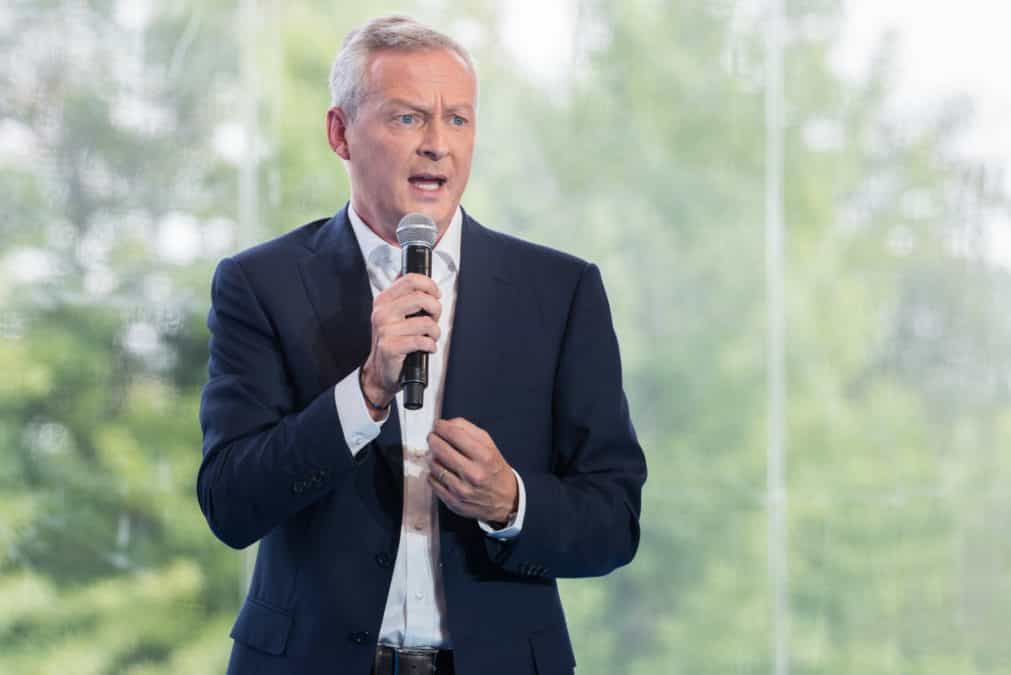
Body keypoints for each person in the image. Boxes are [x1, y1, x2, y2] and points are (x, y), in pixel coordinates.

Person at [197, 14, 646, 675]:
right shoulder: (260, 284)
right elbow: (230, 505)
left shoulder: (560, 290)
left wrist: (511, 501)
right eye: (408, 118)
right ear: (340, 133)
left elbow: (614, 521)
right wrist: (364, 393)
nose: (438, 145)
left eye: (457, 119)